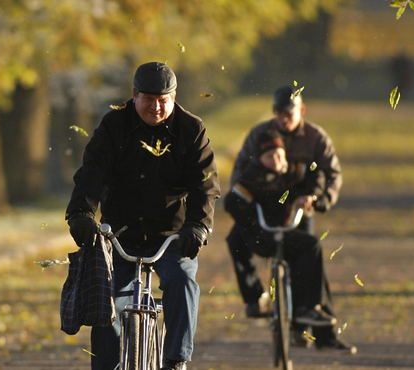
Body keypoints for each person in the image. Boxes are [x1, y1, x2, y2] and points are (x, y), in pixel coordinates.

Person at [66, 62, 220, 370]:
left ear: (174, 98)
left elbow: (205, 185)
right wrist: (82, 212)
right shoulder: (114, 126)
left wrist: (198, 226)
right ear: (134, 95)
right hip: (120, 235)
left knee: (183, 283)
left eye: (164, 99)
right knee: (106, 304)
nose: (157, 106)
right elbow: (92, 172)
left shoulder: (191, 129)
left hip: (172, 238)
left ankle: (176, 359)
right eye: (149, 98)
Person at [224, 129, 355, 354]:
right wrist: (253, 226)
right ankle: (255, 298)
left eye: (279, 155)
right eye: (269, 157)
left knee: (312, 246)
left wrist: (312, 196)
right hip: (262, 234)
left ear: (285, 153)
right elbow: (232, 201)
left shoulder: (296, 170)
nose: (275, 161)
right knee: (234, 238)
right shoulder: (254, 176)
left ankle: (307, 310)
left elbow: (317, 174)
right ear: (260, 158)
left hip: (288, 229)